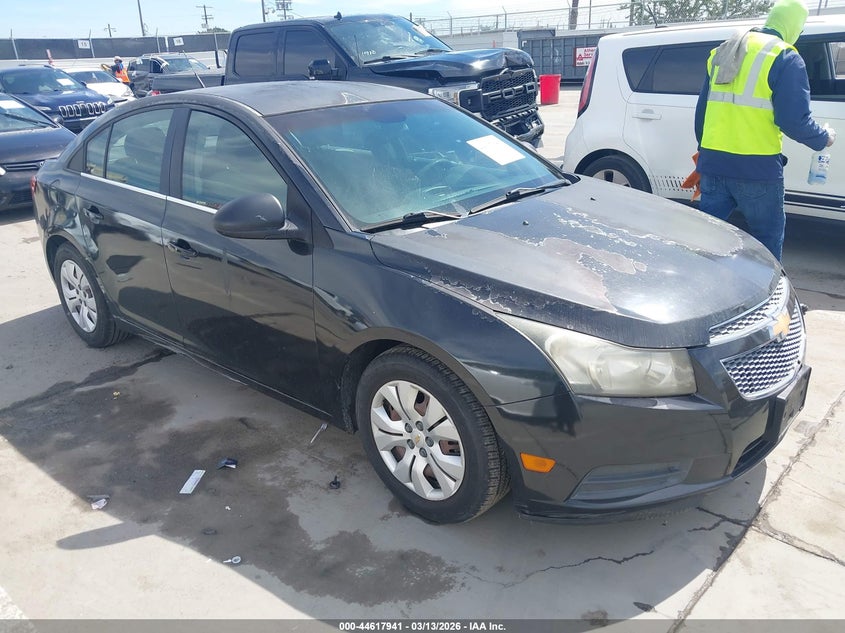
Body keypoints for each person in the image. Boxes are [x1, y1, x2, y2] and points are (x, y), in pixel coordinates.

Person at [694, 0, 834, 261]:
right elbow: (794, 121)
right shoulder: (785, 56)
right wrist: (823, 139)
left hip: (713, 165)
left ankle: (705, 295)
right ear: (794, 26)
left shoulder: (723, 52)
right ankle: (766, 300)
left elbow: (701, 115)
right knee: (766, 245)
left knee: (709, 243)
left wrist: (705, 154)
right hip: (757, 171)